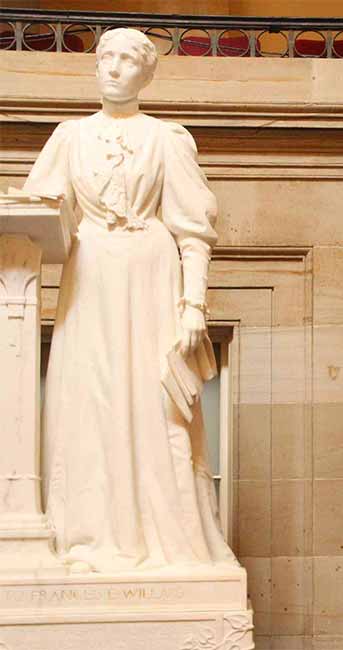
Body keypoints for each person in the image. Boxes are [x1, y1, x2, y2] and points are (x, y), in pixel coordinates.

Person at [23, 28, 236, 573]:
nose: (113, 68)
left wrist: (194, 306)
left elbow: (193, 230)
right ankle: (89, 536)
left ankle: (168, 539)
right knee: (88, 400)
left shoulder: (169, 139)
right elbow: (34, 211)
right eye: (105, 58)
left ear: (146, 73)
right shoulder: (68, 137)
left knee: (155, 403)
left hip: (151, 273)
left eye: (126, 60)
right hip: (90, 273)